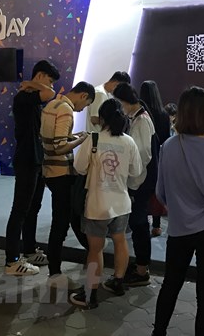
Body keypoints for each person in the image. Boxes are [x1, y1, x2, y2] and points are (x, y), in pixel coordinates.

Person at [152, 87, 204, 336]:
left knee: (171, 283)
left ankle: (159, 332)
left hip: (178, 228)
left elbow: (161, 192)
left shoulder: (169, 146)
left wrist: (179, 207)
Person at [69, 99, 143, 309]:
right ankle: (117, 282)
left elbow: (79, 167)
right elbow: (136, 171)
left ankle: (90, 294)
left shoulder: (93, 139)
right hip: (121, 203)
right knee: (120, 241)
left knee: (95, 249)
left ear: (102, 118)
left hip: (97, 204)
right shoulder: (128, 141)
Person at [5, 60, 59, 276]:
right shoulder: (23, 97)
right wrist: (31, 84)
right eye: (49, 80)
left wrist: (32, 84)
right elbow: (50, 94)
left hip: (36, 159)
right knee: (19, 210)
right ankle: (12, 261)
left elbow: (48, 93)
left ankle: (28, 249)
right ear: (40, 75)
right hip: (26, 159)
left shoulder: (32, 97)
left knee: (33, 208)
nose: (51, 85)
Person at [41, 81, 95, 282]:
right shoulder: (65, 110)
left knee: (66, 219)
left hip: (49, 170)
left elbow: (53, 138)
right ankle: (55, 271)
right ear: (83, 95)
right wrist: (82, 140)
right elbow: (59, 147)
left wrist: (73, 136)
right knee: (61, 224)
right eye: (86, 104)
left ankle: (88, 255)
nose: (82, 109)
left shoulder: (52, 104)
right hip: (61, 172)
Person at [113, 82, 159, 287]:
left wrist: (133, 182)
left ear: (125, 101)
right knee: (138, 224)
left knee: (139, 224)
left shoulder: (142, 120)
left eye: (119, 102)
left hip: (141, 181)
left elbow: (142, 155)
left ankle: (142, 270)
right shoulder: (138, 117)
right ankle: (141, 266)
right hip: (140, 180)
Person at [139, 80, 171, 237]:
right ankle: (156, 225)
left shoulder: (140, 115)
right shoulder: (163, 114)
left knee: (140, 189)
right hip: (158, 156)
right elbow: (166, 138)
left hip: (141, 156)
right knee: (155, 191)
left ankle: (141, 221)